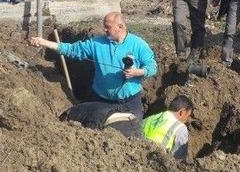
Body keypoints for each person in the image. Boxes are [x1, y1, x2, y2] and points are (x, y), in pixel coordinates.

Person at [28, 12, 156, 122]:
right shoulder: (96, 43)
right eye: (104, 27)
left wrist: (138, 72)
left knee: (132, 134)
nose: (104, 30)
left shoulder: (138, 44)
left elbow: (152, 67)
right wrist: (44, 42)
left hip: (130, 102)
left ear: (120, 27)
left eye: (108, 27)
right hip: (101, 101)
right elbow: (73, 49)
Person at [142, 95, 194, 161]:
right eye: (188, 115)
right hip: (156, 163)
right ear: (182, 112)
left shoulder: (153, 117)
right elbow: (179, 159)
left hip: (139, 155)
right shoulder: (181, 129)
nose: (187, 119)